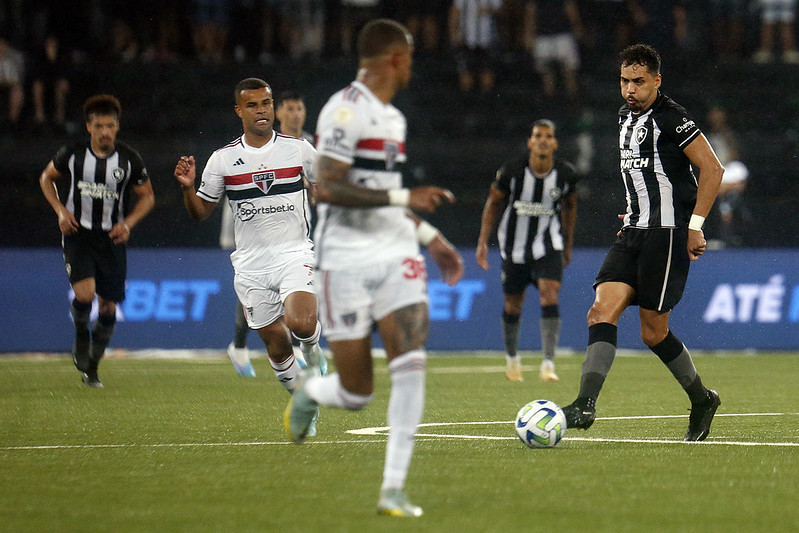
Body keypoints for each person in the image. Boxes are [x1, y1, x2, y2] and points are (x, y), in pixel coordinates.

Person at [284, 19, 464, 517]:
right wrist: (407, 195)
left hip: (395, 254)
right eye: (409, 56)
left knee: (411, 363)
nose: (412, 66)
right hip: (342, 259)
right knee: (357, 392)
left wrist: (430, 237)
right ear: (396, 59)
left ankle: (393, 489)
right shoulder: (346, 109)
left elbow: (382, 201)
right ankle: (312, 389)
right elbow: (329, 186)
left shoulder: (394, 120)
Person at [561, 44, 723, 442]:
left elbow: (712, 169)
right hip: (632, 231)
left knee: (652, 332)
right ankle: (584, 405)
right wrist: (636, 208)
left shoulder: (672, 117)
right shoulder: (623, 117)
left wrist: (695, 226)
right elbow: (645, 174)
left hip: (667, 235)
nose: (630, 89)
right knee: (600, 311)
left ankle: (702, 399)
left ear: (656, 81)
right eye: (624, 81)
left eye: (638, 82)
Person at [175, 78, 328, 429]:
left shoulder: (300, 149)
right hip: (251, 264)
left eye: (266, 103)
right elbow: (200, 212)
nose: (262, 111)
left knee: (301, 323)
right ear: (239, 111)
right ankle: (304, 402)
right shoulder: (223, 160)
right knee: (275, 345)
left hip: (294, 252)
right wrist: (187, 190)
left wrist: (323, 194)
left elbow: (323, 187)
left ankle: (313, 350)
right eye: (253, 105)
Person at [39, 94, 155, 387]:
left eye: (110, 126)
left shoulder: (129, 159)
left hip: (112, 239)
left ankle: (92, 368)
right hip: (78, 234)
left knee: (108, 308)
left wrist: (128, 223)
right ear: (89, 127)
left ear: (117, 127)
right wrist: (60, 211)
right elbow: (46, 178)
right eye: (99, 126)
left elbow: (147, 196)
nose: (105, 132)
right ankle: (81, 334)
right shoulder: (73, 153)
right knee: (85, 295)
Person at [219, 89, 315, 378]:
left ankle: (298, 343)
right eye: (290, 108)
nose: (296, 113)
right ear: (280, 113)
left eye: (300, 108)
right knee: (255, 281)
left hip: (294, 230)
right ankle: (240, 343)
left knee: (294, 285)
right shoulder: (263, 144)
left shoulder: (306, 145)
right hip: (256, 226)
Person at [476, 119, 578, 383]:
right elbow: (493, 203)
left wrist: (567, 243)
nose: (543, 140)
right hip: (514, 248)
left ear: (555, 143)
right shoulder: (512, 171)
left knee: (549, 294)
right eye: (537, 135)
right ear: (530, 142)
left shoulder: (566, 174)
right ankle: (512, 359)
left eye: (548, 136)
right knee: (513, 303)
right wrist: (482, 242)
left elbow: (570, 206)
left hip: (549, 244)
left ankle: (548, 363)